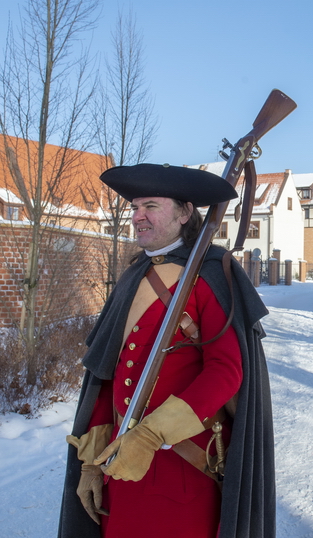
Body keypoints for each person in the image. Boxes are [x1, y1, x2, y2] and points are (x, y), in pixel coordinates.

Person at [58, 163, 275, 538]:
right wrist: (91, 463)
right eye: (135, 207)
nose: (138, 216)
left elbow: (226, 372)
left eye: (151, 206)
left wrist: (152, 434)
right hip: (120, 469)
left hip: (184, 472)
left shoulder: (212, 273)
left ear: (184, 212)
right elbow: (106, 374)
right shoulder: (132, 277)